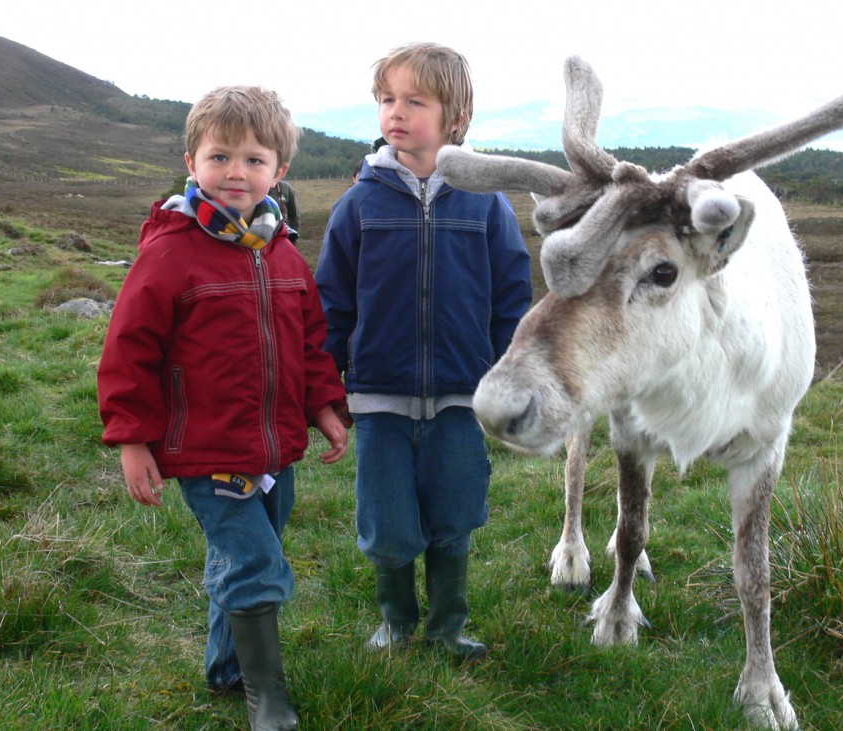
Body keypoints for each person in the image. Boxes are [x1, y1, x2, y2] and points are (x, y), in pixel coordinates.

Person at [98, 85, 349, 731]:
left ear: (279, 170)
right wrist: (133, 438)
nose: (236, 171)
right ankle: (267, 696)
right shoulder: (170, 252)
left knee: (237, 558)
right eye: (219, 156)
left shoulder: (283, 251)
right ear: (192, 160)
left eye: (253, 159)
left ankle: (224, 667)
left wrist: (324, 405)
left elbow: (309, 342)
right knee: (256, 562)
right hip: (206, 450)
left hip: (274, 450)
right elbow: (129, 349)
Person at [315, 42, 532, 661]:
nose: (396, 112)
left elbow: (512, 300)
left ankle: (447, 626)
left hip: (464, 396)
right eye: (387, 99)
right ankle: (396, 621)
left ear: (455, 117)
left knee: (456, 514)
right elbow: (333, 305)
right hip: (379, 397)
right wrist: (327, 388)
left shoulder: (488, 204)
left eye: (415, 100)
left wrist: (506, 379)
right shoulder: (358, 205)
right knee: (386, 524)